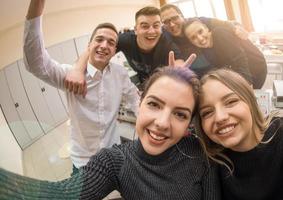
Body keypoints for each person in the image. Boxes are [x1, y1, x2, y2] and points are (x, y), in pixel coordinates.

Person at [0, 67, 221, 200]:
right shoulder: (115, 162)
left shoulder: (199, 151)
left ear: (188, 125)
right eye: (154, 104)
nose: (162, 123)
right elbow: (62, 195)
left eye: (180, 114)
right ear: (140, 102)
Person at [24, 0, 140, 173]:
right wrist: (37, 4)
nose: (104, 45)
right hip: (84, 161)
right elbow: (35, 63)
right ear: (89, 45)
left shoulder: (120, 74)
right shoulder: (70, 75)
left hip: (114, 153)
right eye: (99, 39)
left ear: (115, 49)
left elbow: (134, 100)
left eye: (110, 42)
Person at [194, 68, 283, 200]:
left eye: (231, 102)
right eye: (207, 112)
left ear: (250, 99)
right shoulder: (209, 159)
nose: (220, 117)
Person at [65, 6, 186, 95]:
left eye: (156, 25)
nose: (151, 31)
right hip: (144, 82)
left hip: (162, 83)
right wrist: (77, 70)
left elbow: (179, 64)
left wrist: (179, 73)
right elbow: (93, 50)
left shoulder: (168, 45)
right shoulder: (125, 40)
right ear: (135, 29)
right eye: (144, 26)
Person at [183, 18, 267, 89]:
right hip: (243, 73)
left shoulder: (220, 33)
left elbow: (240, 59)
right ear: (191, 42)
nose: (200, 38)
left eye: (200, 31)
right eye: (193, 38)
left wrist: (248, 86)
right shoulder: (206, 51)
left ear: (206, 28)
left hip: (256, 69)